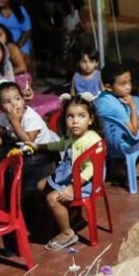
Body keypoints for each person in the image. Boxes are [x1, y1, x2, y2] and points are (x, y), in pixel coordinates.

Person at [34, 96, 103, 251]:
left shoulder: (92, 140)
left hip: (85, 183)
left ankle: (67, 233)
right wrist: (39, 147)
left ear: (90, 120)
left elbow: (90, 170)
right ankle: (69, 216)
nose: (75, 121)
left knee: (52, 199)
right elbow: (62, 144)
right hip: (69, 176)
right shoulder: (74, 135)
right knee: (40, 185)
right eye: (70, 116)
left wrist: (73, 188)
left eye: (81, 116)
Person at [96, 62, 139, 176]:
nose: (128, 87)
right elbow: (134, 130)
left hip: (108, 142)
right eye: (123, 84)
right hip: (122, 146)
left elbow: (127, 121)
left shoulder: (102, 99)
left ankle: (119, 166)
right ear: (108, 86)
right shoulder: (115, 106)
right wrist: (133, 106)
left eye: (129, 81)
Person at [0, 81, 58, 149]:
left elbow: (29, 142)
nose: (14, 103)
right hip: (23, 148)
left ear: (23, 100)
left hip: (45, 148)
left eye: (17, 99)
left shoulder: (31, 118)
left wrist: (14, 122)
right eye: (7, 102)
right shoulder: (4, 115)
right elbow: (0, 132)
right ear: (0, 107)